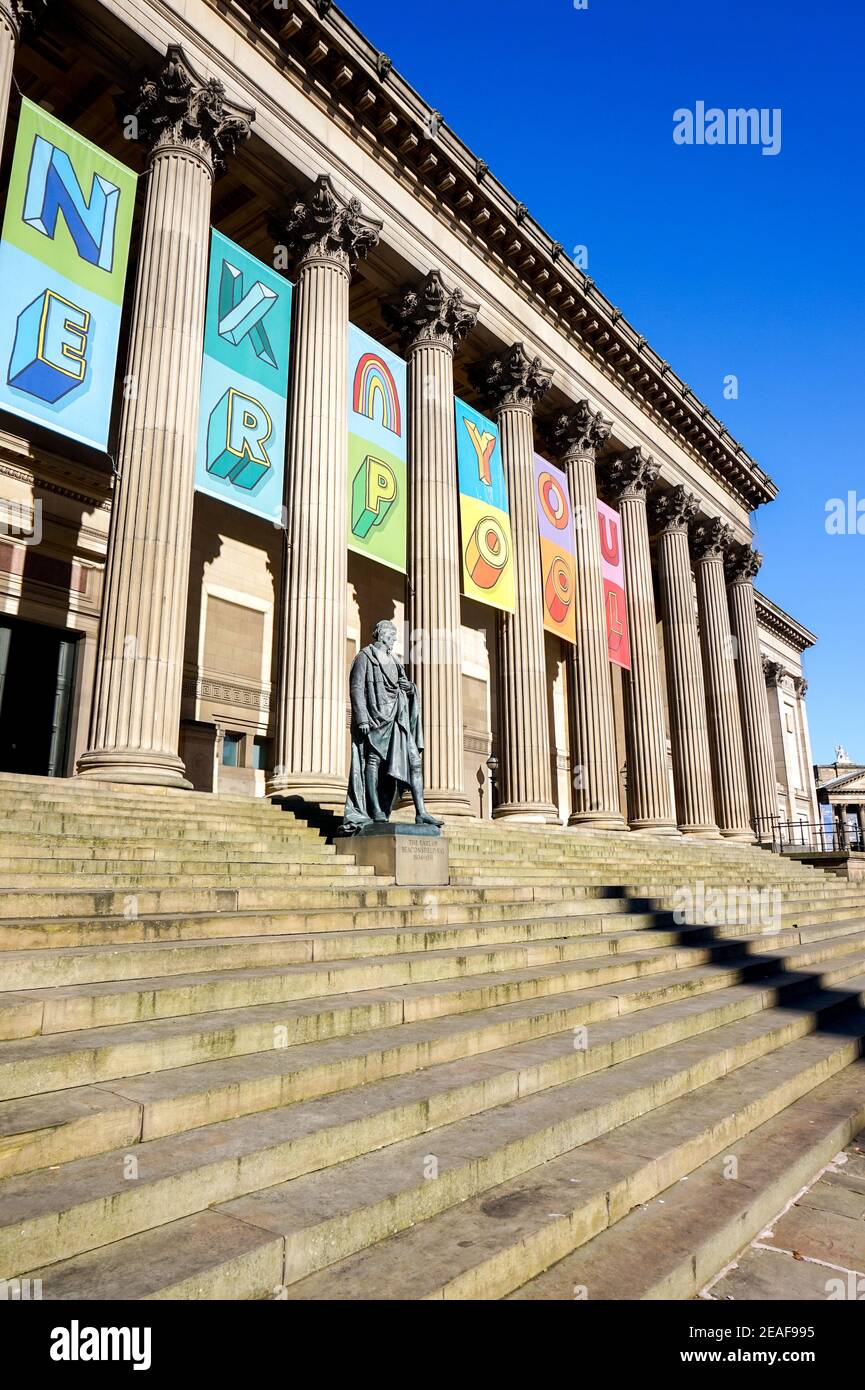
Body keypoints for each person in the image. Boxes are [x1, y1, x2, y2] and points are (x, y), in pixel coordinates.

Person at [341, 619, 442, 833]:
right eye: (391, 634)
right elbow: (357, 688)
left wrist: (410, 688)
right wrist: (362, 718)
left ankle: (421, 812)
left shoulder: (395, 661)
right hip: (375, 718)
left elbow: (403, 686)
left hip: (397, 719)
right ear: (380, 634)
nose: (394, 638)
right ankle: (375, 809)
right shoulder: (364, 657)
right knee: (373, 761)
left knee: (415, 761)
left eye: (395, 635)